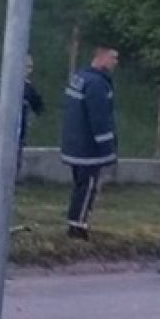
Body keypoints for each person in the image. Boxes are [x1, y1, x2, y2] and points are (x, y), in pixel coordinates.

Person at [0, 56, 45, 225]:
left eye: (30, 67)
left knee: (11, 173)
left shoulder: (27, 88)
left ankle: (1, 209)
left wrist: (30, 117)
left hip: (17, 139)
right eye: (26, 66)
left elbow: (39, 106)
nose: (29, 70)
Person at [60, 47, 120, 240]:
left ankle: (74, 220)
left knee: (80, 185)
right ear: (101, 57)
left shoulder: (80, 77)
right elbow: (99, 118)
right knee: (88, 186)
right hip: (88, 148)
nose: (115, 62)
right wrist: (108, 147)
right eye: (113, 57)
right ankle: (78, 225)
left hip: (74, 143)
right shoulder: (97, 84)